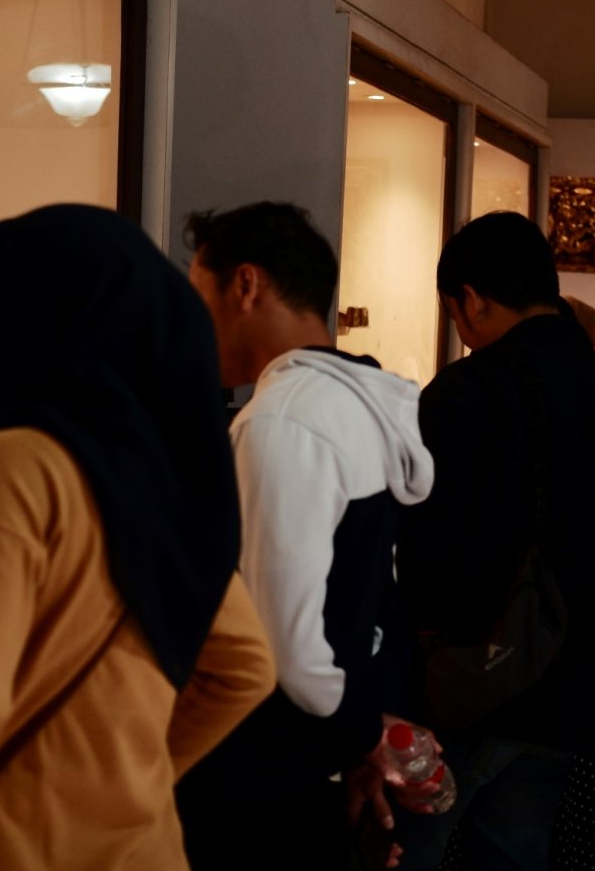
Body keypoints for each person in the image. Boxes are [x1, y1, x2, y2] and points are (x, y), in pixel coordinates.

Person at [0, 205, 276, 870]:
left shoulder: (17, 465)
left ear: (43, 319)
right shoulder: (148, 471)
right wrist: (127, 781)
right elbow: (245, 666)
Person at [394, 212, 595, 870]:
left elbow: (418, 557)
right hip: (574, 693)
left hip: (469, 686)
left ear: (470, 300)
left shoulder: (460, 396)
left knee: (405, 853)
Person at [178, 201, 436, 870]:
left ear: (246, 284)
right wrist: (364, 730)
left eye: (197, 294)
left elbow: (280, 644)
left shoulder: (283, 420)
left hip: (268, 775)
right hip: (321, 756)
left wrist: (364, 734)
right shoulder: (358, 401)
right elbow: (376, 605)